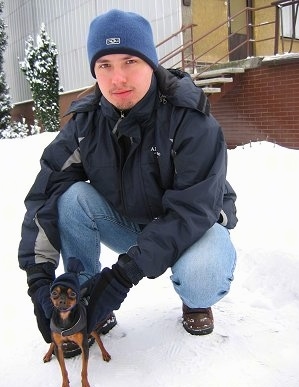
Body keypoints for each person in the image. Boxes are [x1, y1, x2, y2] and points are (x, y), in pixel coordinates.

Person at [19, 9, 238, 355]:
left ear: (151, 62)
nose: (118, 78)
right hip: (129, 223)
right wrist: (39, 281)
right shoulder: (86, 122)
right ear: (94, 71)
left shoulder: (188, 117)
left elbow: (193, 209)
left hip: (194, 227)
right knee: (70, 196)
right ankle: (88, 299)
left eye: (130, 61)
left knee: (203, 271)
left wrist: (121, 277)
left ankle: (196, 301)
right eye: (105, 65)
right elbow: (46, 192)